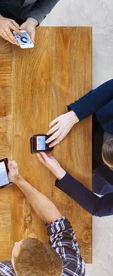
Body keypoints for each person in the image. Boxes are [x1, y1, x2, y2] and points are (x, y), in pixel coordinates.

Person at [36, 79, 113, 216]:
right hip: (95, 121)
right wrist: (75, 114)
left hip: (96, 172)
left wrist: (59, 172)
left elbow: (98, 208)